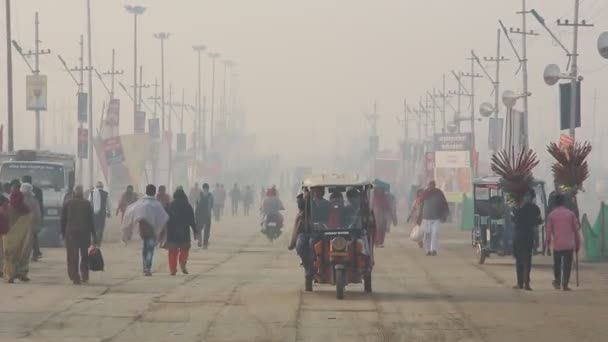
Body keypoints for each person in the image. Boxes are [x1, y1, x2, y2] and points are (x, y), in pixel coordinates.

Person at [121, 185, 169, 276]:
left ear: (146, 191)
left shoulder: (140, 203)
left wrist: (128, 227)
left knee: (145, 247)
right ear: (154, 192)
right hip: (152, 231)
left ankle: (145, 266)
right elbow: (164, 218)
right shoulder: (157, 204)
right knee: (150, 249)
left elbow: (129, 212)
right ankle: (147, 268)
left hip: (142, 230)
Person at [3, 183, 40, 283]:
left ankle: (10, 274)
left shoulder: (8, 206)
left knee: (10, 254)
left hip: (10, 235)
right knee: (24, 254)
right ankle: (22, 273)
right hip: (26, 234)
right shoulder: (31, 204)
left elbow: (4, 219)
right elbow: (37, 216)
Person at [61, 185, 97, 285]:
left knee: (73, 255)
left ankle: (75, 277)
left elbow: (63, 220)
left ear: (74, 193)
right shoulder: (87, 204)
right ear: (82, 194)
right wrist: (94, 235)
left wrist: (63, 233)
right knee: (84, 255)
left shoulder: (67, 203)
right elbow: (91, 221)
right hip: (84, 233)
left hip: (71, 233)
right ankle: (84, 275)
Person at [545, 193, 580, 291]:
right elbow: (576, 232)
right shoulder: (571, 214)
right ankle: (565, 284)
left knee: (557, 264)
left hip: (557, 244)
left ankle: (557, 282)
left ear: (555, 203)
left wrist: (547, 246)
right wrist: (578, 245)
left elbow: (548, 232)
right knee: (567, 265)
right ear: (564, 202)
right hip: (569, 245)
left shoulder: (551, 215)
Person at [512, 189, 543, 290]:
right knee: (525, 260)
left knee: (521, 261)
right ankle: (525, 283)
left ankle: (522, 283)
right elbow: (539, 221)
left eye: (528, 195)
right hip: (527, 236)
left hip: (520, 236)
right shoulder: (535, 208)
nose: (527, 197)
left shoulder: (517, 207)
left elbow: (512, 220)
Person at [164, 188, 197, 275]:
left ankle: (173, 269)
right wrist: (195, 230)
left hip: (172, 232)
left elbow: (165, 219)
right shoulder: (188, 206)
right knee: (184, 249)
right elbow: (192, 220)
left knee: (172, 252)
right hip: (184, 232)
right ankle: (182, 261)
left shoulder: (170, 206)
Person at [419, 181, 449, 256]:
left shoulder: (439, 192)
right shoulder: (425, 192)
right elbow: (419, 201)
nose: (431, 186)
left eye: (432, 185)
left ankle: (433, 249)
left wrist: (445, 213)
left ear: (434, 185)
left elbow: (444, 202)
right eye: (429, 185)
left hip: (436, 217)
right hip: (426, 217)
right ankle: (427, 250)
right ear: (428, 185)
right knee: (427, 234)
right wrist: (419, 217)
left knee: (435, 233)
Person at [22, 175, 43, 262]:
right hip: (32, 222)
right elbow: (38, 211)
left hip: (21, 222)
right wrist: (39, 221)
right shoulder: (35, 198)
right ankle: (35, 253)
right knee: (33, 237)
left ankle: (24, 255)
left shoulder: (20, 199)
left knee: (23, 238)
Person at [88, 181, 111, 246]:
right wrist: (109, 212)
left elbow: (89, 203)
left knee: (94, 227)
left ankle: (94, 240)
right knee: (101, 227)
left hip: (93, 214)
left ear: (96, 186)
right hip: (102, 213)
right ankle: (98, 241)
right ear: (102, 187)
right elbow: (108, 204)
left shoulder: (91, 193)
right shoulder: (106, 193)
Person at [195, 183, 214, 249]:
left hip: (200, 214)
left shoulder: (199, 194)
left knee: (199, 228)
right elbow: (211, 205)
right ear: (208, 188)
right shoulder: (210, 195)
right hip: (207, 215)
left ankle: (200, 241)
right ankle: (205, 244)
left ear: (203, 188)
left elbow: (197, 204)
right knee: (207, 230)